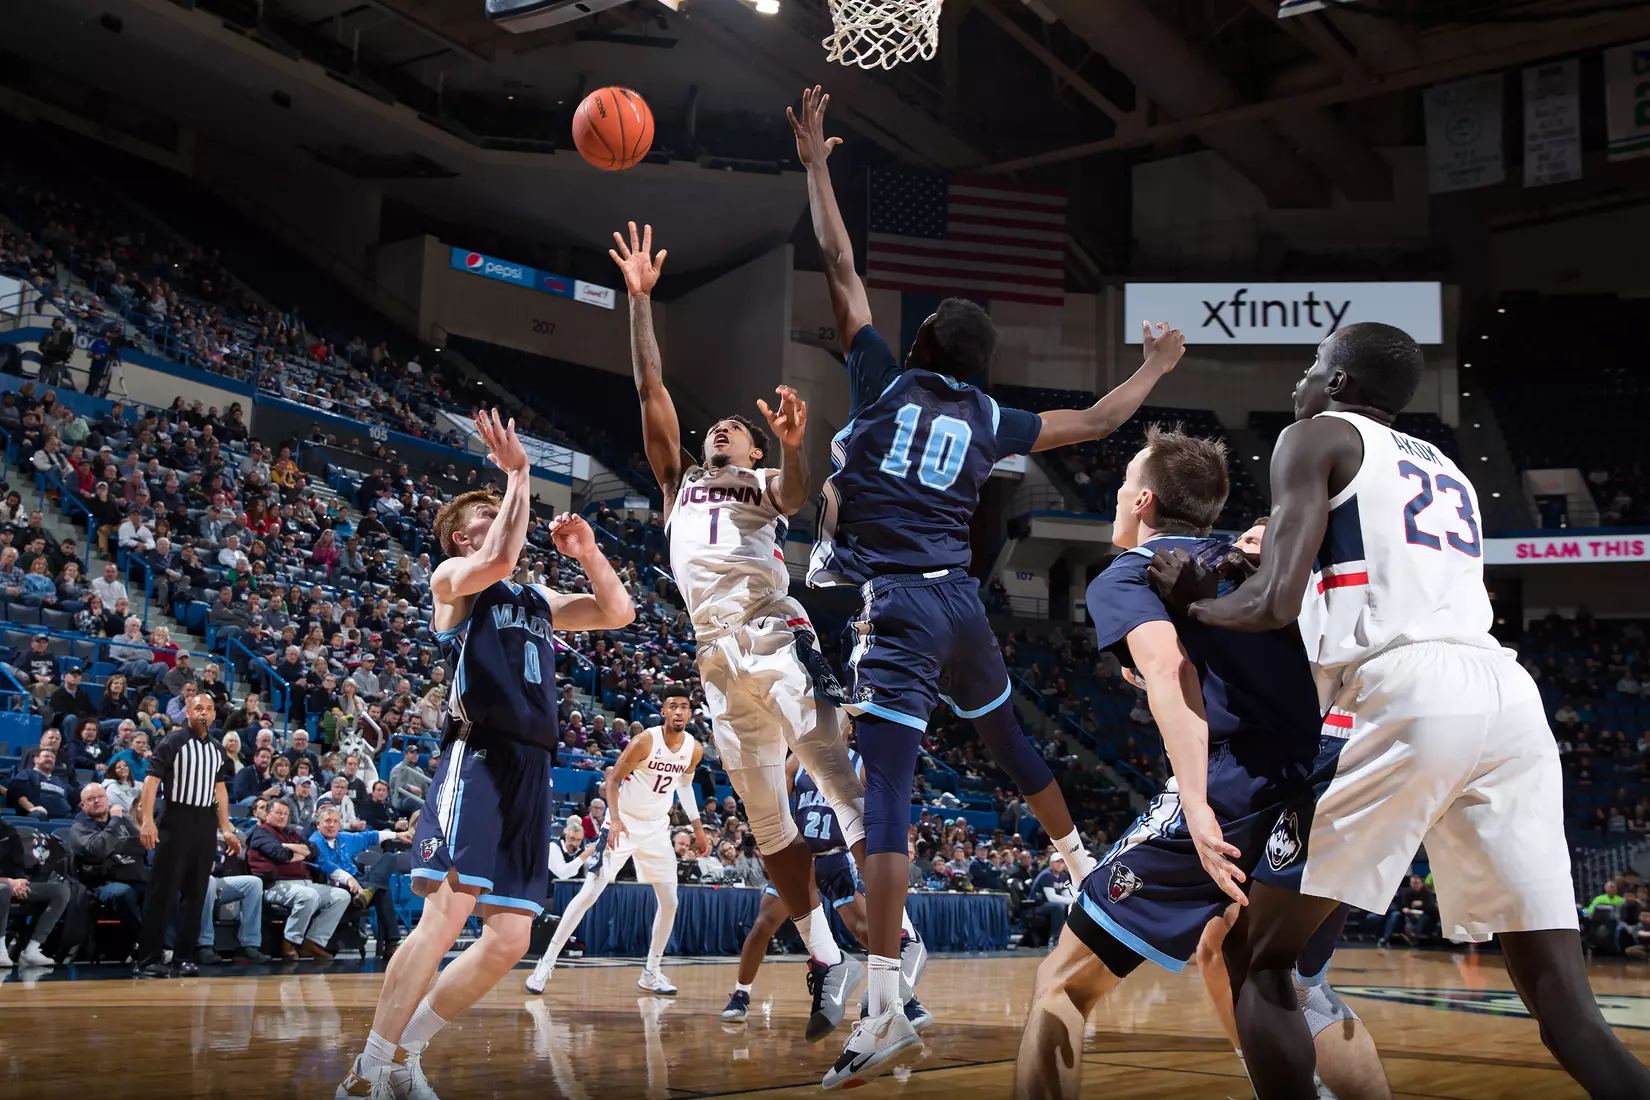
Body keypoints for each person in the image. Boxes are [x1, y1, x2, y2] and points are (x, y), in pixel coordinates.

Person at [788, 84, 1185, 1089]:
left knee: (884, 792)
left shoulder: (881, 377)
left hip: (902, 606)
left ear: (921, 351)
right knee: (1008, 737)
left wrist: (814, 165)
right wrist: (1158, 367)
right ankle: (1080, 863)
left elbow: (841, 264)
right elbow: (1099, 421)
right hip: (963, 598)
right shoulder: (995, 418)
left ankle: (881, 999)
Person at [1147, 321, 1650, 1099]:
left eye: (1313, 367)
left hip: (1411, 688)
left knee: (1259, 957)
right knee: (1565, 1004)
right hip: (1509, 697)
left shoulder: (1313, 436)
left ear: (1340, 383)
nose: (1299, 384)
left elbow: (1275, 602)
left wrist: (1196, 604)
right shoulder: (1451, 467)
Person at [614, 218, 875, 1040]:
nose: (717, 429)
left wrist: (794, 449)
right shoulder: (678, 486)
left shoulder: (764, 477)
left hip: (772, 630)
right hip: (716, 663)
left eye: (736, 428)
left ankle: (895, 958)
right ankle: (828, 957)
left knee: (845, 789)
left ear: (756, 443)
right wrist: (640, 304)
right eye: (713, 429)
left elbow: (798, 499)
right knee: (770, 827)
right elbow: (651, 391)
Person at [337, 410, 634, 1100]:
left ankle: (405, 1058)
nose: (495, 517)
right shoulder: (453, 581)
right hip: (478, 757)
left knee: (510, 939)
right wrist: (520, 474)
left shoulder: (535, 597)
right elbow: (496, 557)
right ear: (456, 537)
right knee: (447, 913)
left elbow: (616, 613)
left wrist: (589, 553)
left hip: (533, 768)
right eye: (483, 513)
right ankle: (366, 1069)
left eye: (498, 508)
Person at [1184, 519, 1383, 1099]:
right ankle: (1275, 1068)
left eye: (1263, 536)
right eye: (1244, 533)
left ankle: (1286, 1073)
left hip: (1326, 775)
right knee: (1238, 957)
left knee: (1281, 974)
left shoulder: (1302, 598)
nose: (1247, 540)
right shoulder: (1263, 603)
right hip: (1298, 783)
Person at [722, 747, 931, 1030]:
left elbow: (882, 809)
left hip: (836, 856)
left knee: (865, 930)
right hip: (800, 858)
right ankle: (740, 994)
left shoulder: (859, 762)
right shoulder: (798, 758)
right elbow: (776, 803)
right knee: (763, 924)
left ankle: (906, 996)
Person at [526, 685, 709, 995]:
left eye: (684, 706)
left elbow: (686, 787)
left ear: (689, 713)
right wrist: (616, 819)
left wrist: (698, 826)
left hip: (656, 829)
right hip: (622, 824)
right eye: (672, 706)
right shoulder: (643, 741)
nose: (679, 711)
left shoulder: (694, 749)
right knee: (590, 892)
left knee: (670, 901)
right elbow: (611, 780)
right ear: (663, 711)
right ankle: (546, 962)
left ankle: (651, 971)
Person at [132, 692, 241, 978]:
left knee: (196, 893)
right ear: (188, 713)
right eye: (198, 709)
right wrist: (147, 821)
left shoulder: (217, 749)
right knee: (163, 891)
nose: (203, 713)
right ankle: (148, 958)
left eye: (208, 709)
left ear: (214, 716)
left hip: (204, 822)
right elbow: (151, 781)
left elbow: (220, 791)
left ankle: (184, 956)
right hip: (175, 817)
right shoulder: (172, 742)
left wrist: (226, 829)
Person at [247, 798, 352, 960]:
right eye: (278, 813)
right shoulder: (260, 833)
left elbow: (314, 851)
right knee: (308, 896)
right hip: (275, 885)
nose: (282, 817)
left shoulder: (290, 833)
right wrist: (297, 852)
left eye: (286, 814)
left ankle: (312, 942)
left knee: (341, 896)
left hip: (305, 883)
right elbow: (280, 856)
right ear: (267, 815)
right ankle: (290, 942)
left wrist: (290, 847)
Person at [309, 805, 410, 961]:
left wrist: (397, 834)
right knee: (383, 891)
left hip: (360, 883)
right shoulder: (315, 842)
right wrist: (349, 879)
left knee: (389, 858)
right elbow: (326, 866)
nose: (331, 825)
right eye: (327, 821)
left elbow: (370, 837)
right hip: (337, 887)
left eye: (335, 821)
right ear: (318, 824)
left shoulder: (343, 838)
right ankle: (391, 943)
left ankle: (369, 890)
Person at [68, 781, 149, 952]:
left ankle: (169, 945)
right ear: (83, 805)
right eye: (91, 799)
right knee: (122, 893)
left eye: (100, 797)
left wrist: (113, 850)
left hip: (134, 876)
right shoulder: (80, 828)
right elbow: (98, 849)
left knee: (166, 891)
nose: (97, 801)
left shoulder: (124, 822)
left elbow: (141, 846)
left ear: (107, 799)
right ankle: (146, 944)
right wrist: (116, 823)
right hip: (103, 882)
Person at [0, 814, 73, 967]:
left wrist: (19, 882)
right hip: (4, 885)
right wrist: (9, 882)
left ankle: (32, 949)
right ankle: (0, 950)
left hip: (13, 883)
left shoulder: (7, 830)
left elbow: (17, 864)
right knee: (3, 889)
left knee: (60, 891)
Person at [193, 826, 271, 965]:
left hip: (214, 879)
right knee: (208, 881)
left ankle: (248, 945)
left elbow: (220, 860)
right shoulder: (186, 826)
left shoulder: (218, 833)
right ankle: (204, 945)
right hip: (190, 880)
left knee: (254, 883)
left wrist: (213, 866)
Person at [9, 747, 75, 818]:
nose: (50, 759)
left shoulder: (59, 781)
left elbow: (77, 797)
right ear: (35, 759)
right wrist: (31, 808)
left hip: (64, 817)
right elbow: (17, 793)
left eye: (53, 758)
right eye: (46, 756)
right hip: (38, 816)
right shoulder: (27, 774)